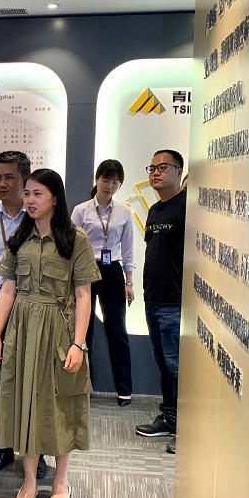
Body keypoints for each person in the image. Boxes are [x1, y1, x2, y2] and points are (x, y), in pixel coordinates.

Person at [0, 168, 100, 498]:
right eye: (27, 193)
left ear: (55, 198)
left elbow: (83, 295)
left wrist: (78, 344)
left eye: (37, 193)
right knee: (24, 401)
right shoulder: (19, 238)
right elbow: (8, 289)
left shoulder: (75, 239)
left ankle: (61, 481)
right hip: (22, 331)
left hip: (59, 331)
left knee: (60, 404)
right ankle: (29, 482)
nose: (30, 200)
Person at [0, 151, 46, 480]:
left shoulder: (39, 216)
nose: (0, 183)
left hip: (32, 307)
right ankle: (0, 446)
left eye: (9, 177)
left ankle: (35, 450)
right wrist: (1, 289)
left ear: (25, 179)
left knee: (33, 382)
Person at [134, 149, 187, 454]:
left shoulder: (188, 207)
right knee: (164, 366)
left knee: (179, 367)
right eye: (152, 168)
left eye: (162, 167)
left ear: (179, 172)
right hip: (153, 299)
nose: (155, 172)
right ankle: (170, 418)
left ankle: (187, 429)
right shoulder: (154, 210)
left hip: (176, 301)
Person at [71, 159, 135, 407]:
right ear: (97, 180)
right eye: (106, 180)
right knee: (83, 331)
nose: (109, 186)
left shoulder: (124, 213)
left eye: (115, 182)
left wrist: (129, 282)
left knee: (117, 330)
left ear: (120, 184)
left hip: (112, 271)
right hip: (85, 269)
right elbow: (72, 246)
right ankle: (83, 387)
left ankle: (124, 390)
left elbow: (128, 250)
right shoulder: (81, 210)